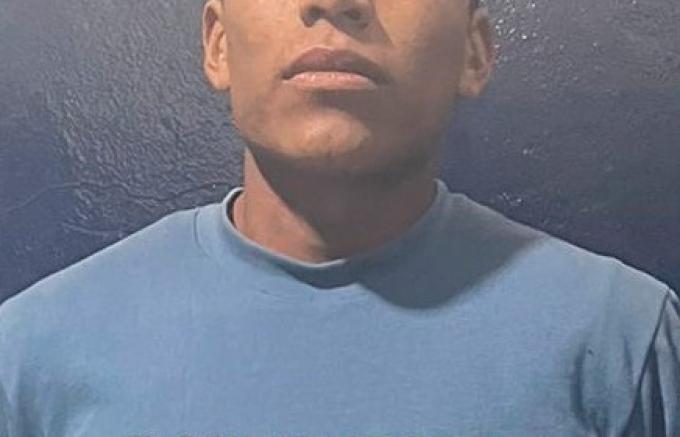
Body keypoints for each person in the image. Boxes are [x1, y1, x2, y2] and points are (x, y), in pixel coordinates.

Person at [1, 0, 678, 435]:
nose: (333, 1)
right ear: (218, 45)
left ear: (473, 53)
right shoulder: (32, 354)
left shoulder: (624, 340)